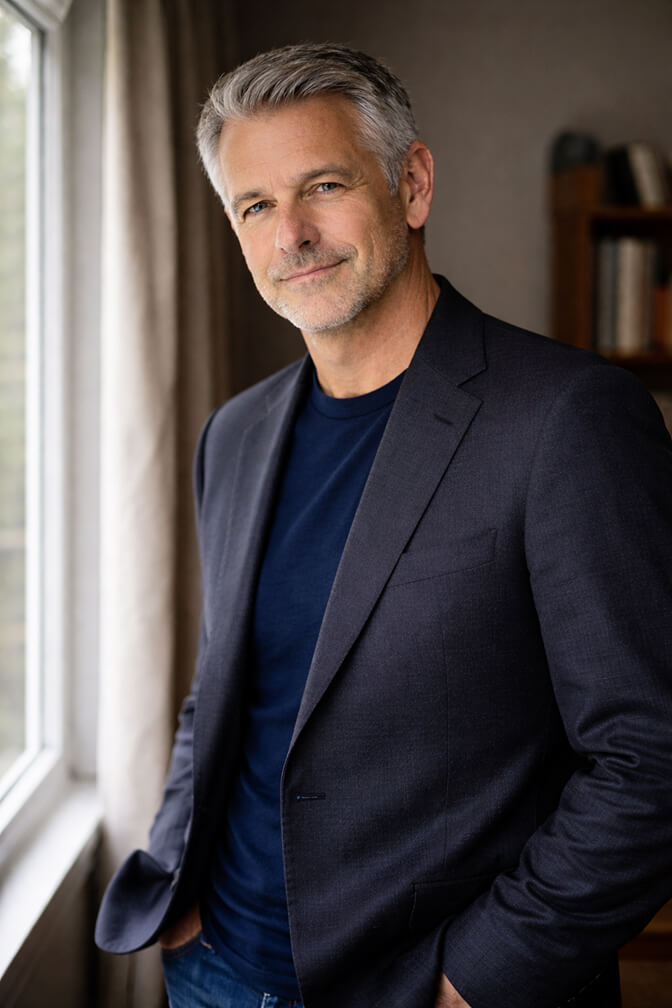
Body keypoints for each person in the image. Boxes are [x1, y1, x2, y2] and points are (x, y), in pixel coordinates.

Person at [95, 42, 672, 1008]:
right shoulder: (231, 436)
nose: (293, 235)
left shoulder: (569, 419)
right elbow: (222, 690)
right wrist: (178, 880)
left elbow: (651, 756)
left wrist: (470, 981)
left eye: (323, 185)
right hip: (215, 968)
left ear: (412, 184)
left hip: (418, 985)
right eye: (256, 205)